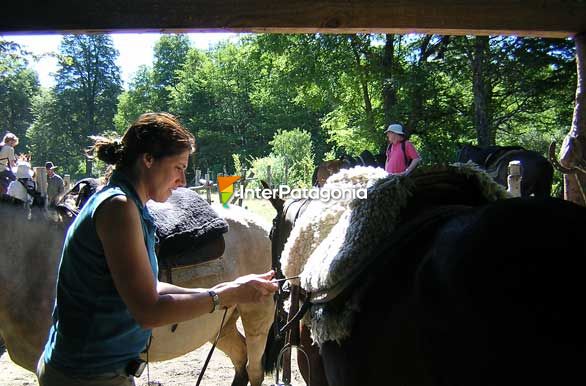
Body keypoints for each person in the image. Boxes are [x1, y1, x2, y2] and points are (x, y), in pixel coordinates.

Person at [37, 112, 278, 386]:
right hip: (87, 376)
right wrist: (222, 296)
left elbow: (149, 287)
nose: (183, 181)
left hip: (94, 370)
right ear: (148, 159)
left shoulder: (128, 204)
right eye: (178, 167)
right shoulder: (118, 208)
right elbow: (148, 311)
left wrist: (231, 288)